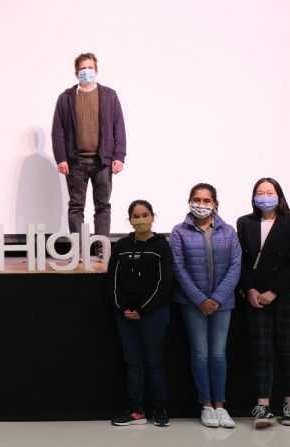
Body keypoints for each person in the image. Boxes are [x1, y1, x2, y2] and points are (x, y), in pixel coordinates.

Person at [236, 178, 290, 428]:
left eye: (269, 192)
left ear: (279, 195)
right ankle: (262, 407)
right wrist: (252, 290)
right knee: (261, 352)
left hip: (285, 295)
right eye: (259, 192)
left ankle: (289, 406)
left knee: (286, 351)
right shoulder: (245, 222)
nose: (264, 196)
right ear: (253, 196)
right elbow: (241, 261)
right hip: (255, 296)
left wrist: (273, 292)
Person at [170, 183, 241, 429]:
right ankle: (206, 405)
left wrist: (217, 298)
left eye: (206, 200)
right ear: (189, 202)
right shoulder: (179, 232)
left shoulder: (229, 232)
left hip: (222, 304)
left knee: (218, 355)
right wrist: (200, 299)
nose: (201, 204)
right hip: (192, 303)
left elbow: (235, 266)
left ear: (215, 204)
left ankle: (221, 406)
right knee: (200, 354)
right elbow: (178, 268)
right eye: (196, 199)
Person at [107, 200, 174, 427]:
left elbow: (164, 283)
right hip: (125, 315)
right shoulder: (122, 245)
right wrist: (124, 308)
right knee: (133, 362)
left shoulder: (162, 246)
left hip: (153, 314)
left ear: (153, 217)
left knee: (154, 362)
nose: (141, 220)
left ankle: (160, 409)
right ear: (129, 219)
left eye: (145, 215)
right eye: (136, 216)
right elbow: (113, 280)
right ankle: (136, 411)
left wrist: (143, 310)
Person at [51, 52, 125, 254]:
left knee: (103, 206)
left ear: (96, 70)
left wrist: (118, 156)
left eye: (90, 68)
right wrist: (61, 158)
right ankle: (79, 249)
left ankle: (102, 247)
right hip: (75, 162)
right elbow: (58, 131)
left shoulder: (109, 95)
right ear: (76, 72)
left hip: (103, 160)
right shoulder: (66, 98)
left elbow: (118, 127)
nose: (86, 72)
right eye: (82, 69)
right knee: (76, 206)